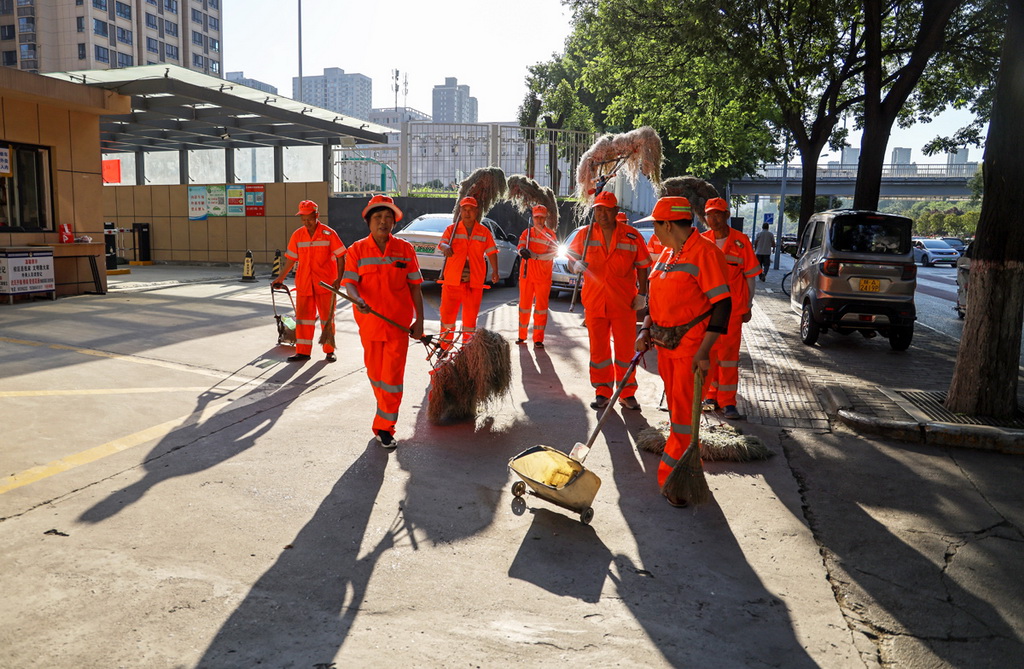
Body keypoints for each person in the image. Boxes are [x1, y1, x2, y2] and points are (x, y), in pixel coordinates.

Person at [634, 196, 731, 506]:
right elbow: (654, 298)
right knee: (679, 415)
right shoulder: (666, 254)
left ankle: (675, 481)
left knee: (683, 420)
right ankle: (687, 473)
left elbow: (722, 305)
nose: (654, 233)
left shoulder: (705, 253)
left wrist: (704, 351)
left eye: (656, 226)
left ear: (668, 224)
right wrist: (646, 329)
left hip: (691, 350)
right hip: (666, 346)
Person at [343, 195, 425, 449]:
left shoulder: (405, 249)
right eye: (378, 217)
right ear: (369, 221)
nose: (383, 222)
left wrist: (419, 320)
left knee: (391, 378)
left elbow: (415, 287)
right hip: (369, 325)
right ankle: (383, 416)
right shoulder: (356, 250)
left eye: (388, 217)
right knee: (376, 376)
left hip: (398, 326)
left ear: (394, 222)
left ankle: (384, 426)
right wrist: (357, 300)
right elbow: (350, 284)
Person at [569, 191, 652, 410]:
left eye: (607, 209)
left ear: (616, 211)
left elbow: (643, 265)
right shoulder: (585, 235)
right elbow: (571, 259)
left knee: (625, 351)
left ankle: (626, 392)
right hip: (595, 302)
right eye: (598, 209)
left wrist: (642, 294)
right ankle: (602, 391)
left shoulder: (631, 235)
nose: (602, 214)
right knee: (599, 350)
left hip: (624, 303)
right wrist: (574, 266)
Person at [701, 198, 760, 420]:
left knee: (728, 357)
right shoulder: (701, 241)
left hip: (733, 310)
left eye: (718, 214)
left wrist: (748, 305)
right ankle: (710, 396)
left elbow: (750, 277)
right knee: (709, 353)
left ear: (727, 215)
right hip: (706, 310)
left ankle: (728, 402)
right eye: (709, 214)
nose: (713, 219)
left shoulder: (740, 241)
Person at [272, 200, 346, 363]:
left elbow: (341, 255)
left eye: (309, 218)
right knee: (303, 319)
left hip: (326, 284)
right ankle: (303, 352)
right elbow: (291, 260)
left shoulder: (328, 233)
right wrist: (280, 278)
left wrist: (338, 279)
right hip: (305, 283)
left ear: (316, 215)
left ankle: (329, 350)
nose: (306, 222)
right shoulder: (298, 235)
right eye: (303, 219)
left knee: (327, 319)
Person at [437, 196, 500, 347]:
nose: (467, 213)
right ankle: (444, 347)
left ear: (476, 212)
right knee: (447, 318)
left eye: (471, 210)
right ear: (460, 211)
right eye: (464, 210)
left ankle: (467, 349)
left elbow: (492, 252)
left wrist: (495, 271)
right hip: (452, 282)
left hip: (474, 283)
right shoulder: (451, 230)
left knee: (470, 321)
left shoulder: (483, 232)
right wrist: (445, 247)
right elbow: (442, 243)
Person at [516, 205, 559, 348]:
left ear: (545, 218)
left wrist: (536, 256)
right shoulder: (526, 233)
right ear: (533, 218)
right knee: (524, 307)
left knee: (541, 308)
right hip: (526, 276)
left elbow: (553, 253)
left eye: (541, 217)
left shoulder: (551, 235)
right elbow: (520, 247)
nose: (539, 220)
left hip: (542, 278)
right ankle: (521, 336)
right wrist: (522, 251)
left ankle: (538, 339)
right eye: (536, 217)